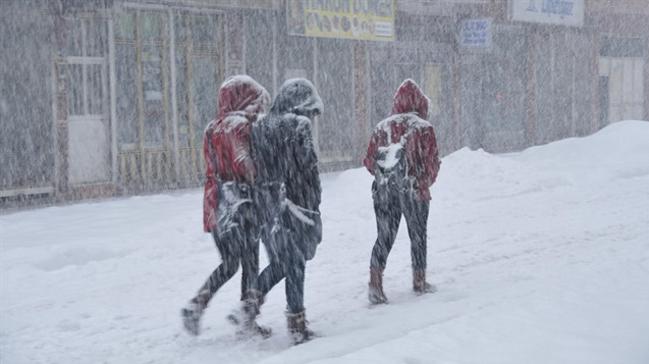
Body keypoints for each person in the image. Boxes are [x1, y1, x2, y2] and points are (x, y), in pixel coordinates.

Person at [181, 75, 271, 337]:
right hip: (241, 205)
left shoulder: (212, 128)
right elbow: (245, 165)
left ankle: (197, 304)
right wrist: (260, 174)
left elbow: (213, 166)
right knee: (251, 261)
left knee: (230, 262)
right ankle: (247, 319)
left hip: (217, 204)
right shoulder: (240, 126)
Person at [250, 78, 323, 344]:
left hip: (266, 205)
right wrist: (313, 203)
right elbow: (307, 170)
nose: (312, 119)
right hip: (293, 204)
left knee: (283, 262)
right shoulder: (298, 126)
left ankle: (250, 302)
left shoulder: (260, 126)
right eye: (311, 112)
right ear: (301, 106)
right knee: (295, 264)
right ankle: (297, 325)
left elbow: (257, 166)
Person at [363, 79, 441, 305]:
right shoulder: (423, 128)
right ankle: (419, 280)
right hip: (414, 190)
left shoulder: (382, 127)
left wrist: (387, 179)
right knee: (418, 236)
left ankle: (375, 283)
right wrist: (422, 182)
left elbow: (369, 161)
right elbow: (432, 162)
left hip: (384, 192)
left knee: (384, 236)